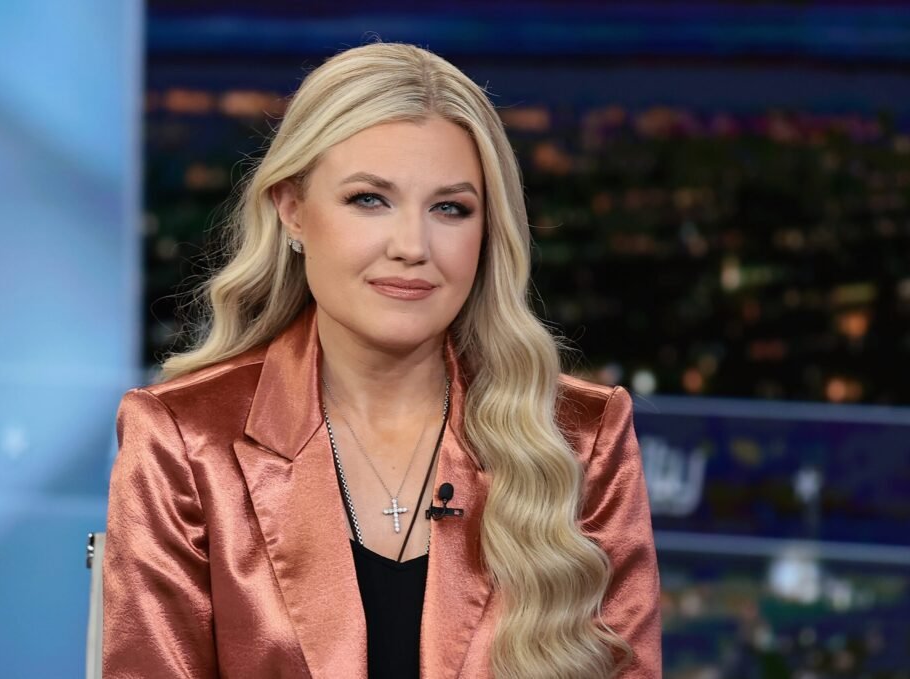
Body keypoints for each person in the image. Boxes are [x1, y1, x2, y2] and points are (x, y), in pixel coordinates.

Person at [103, 41, 660, 679]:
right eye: (370, 199)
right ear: (292, 210)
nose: (412, 246)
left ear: (488, 231)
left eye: (450, 208)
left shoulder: (581, 438)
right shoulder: (185, 441)